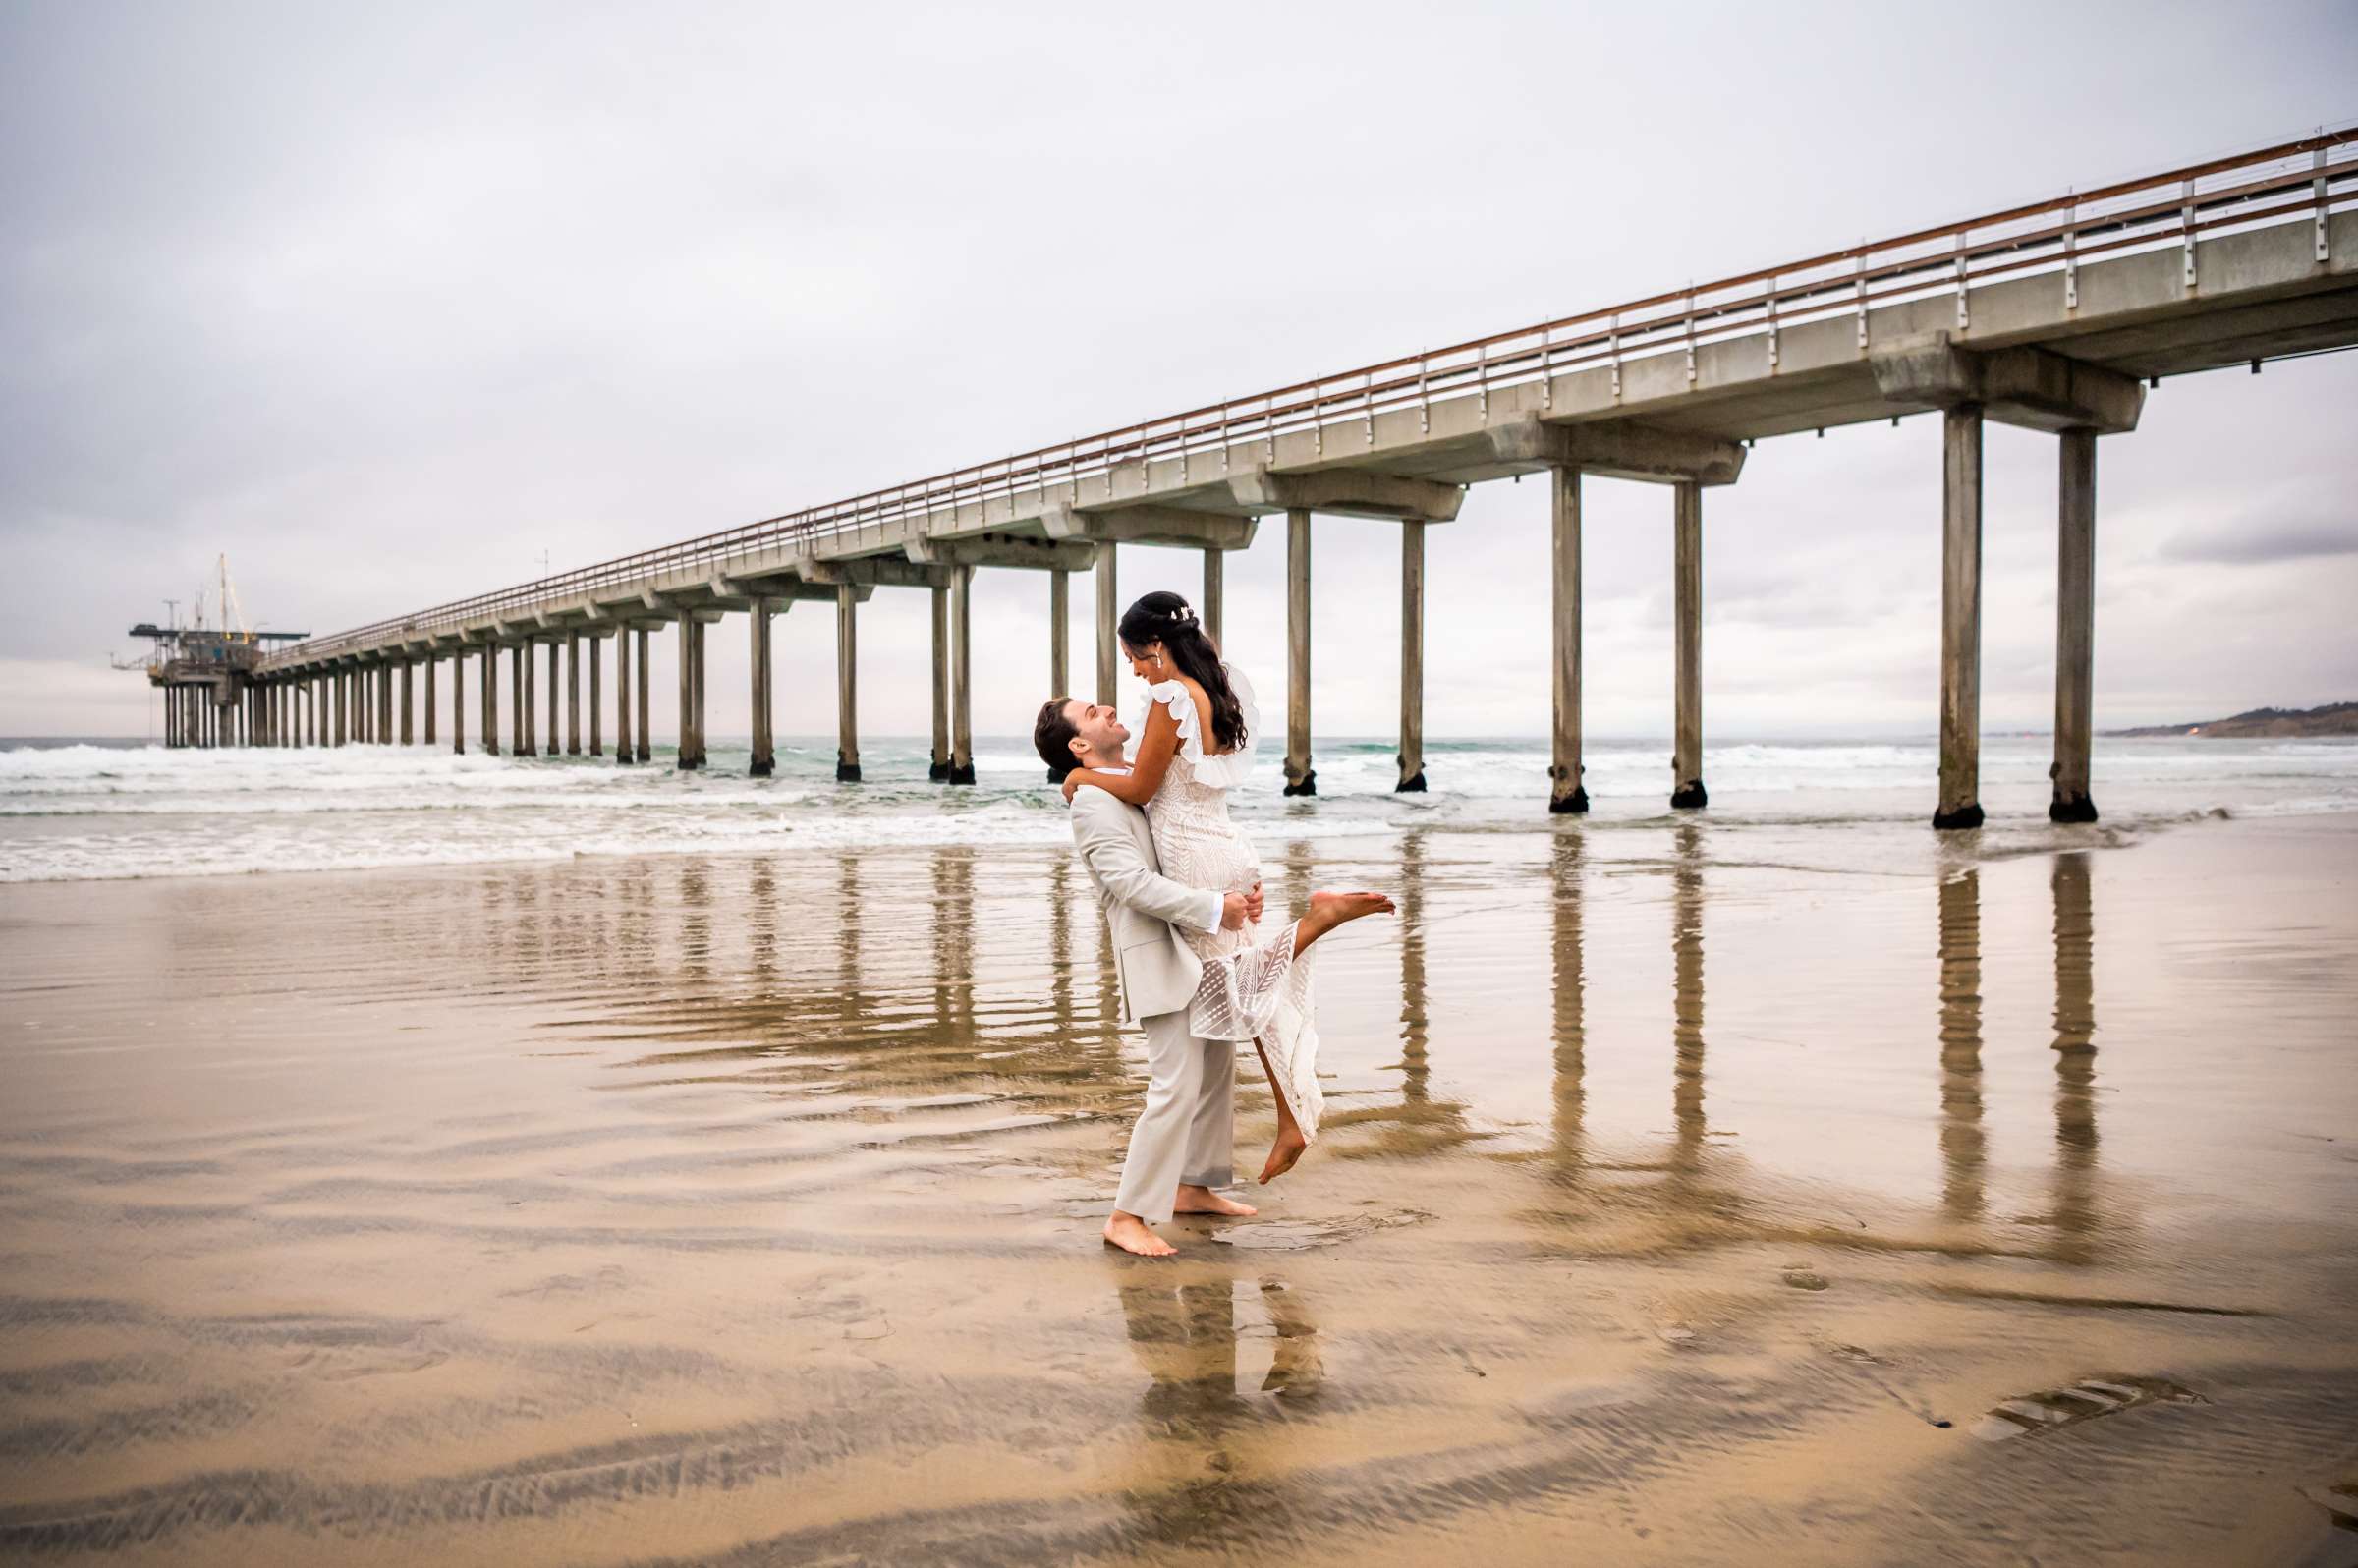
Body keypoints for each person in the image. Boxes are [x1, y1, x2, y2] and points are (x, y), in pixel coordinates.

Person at [1046, 589, 1392, 1195]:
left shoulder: (1170, 696)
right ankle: (1261, 1137)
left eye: (1132, 656)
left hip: (1193, 859)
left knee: (1244, 985)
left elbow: (1142, 787)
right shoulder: (1216, 685)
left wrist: (1078, 775)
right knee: (1239, 996)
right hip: (1225, 845)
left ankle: (1317, 921)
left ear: (1154, 646)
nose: (1132, 671)